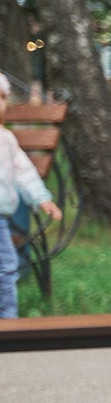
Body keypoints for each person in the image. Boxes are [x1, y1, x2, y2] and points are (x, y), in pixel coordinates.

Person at [0, 74, 60, 320]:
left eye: (1, 98)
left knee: (5, 267)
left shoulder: (7, 140)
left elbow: (25, 174)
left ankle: (7, 319)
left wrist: (42, 199)